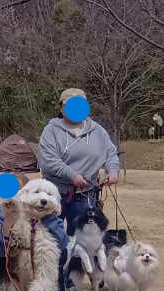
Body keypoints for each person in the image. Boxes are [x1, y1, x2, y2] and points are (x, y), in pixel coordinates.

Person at [0, 136, 69, 291]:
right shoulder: (3, 211)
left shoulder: (52, 217)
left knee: (59, 250)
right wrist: (8, 222)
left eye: (20, 188)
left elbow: (62, 244)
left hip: (41, 265)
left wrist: (47, 220)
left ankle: (54, 287)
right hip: (16, 265)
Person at [39, 87, 121, 233]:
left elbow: (111, 154)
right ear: (61, 107)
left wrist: (113, 171)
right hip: (53, 193)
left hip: (86, 194)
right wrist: (72, 175)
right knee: (49, 236)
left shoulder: (98, 131)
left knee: (81, 238)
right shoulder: (51, 130)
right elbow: (49, 160)